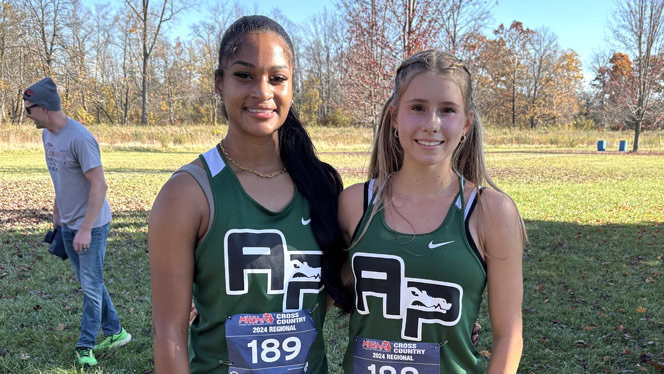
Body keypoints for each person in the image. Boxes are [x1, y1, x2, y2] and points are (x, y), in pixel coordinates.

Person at [148, 15, 349, 374]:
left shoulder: (322, 186)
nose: (262, 91)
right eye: (244, 75)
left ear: (291, 86)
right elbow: (169, 334)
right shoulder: (185, 194)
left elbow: (340, 283)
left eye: (277, 78)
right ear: (219, 83)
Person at [337, 50, 526, 373]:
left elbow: (509, 335)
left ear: (466, 123)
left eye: (447, 110)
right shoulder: (354, 204)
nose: (431, 124)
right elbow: (324, 291)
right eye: (418, 108)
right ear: (395, 117)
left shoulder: (491, 212)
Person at [23, 77, 131, 367]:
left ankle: (86, 346)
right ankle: (116, 332)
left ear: (43, 108)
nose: (27, 115)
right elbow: (61, 177)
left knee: (90, 285)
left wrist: (85, 228)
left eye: (28, 110)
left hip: (92, 226)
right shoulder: (47, 135)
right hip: (69, 223)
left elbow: (100, 186)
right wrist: (58, 211)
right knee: (90, 282)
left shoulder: (80, 138)